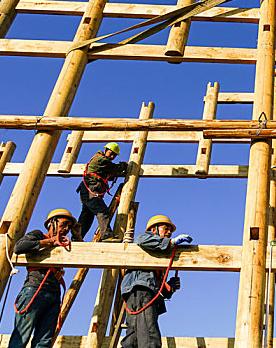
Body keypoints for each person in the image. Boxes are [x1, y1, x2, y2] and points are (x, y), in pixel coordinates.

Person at [8, 209, 80, 348]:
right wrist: (49, 242)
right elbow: (19, 247)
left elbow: (81, 256)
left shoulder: (64, 244)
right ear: (52, 223)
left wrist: (77, 236)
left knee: (44, 342)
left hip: (54, 295)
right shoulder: (38, 235)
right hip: (34, 290)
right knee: (21, 338)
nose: (66, 229)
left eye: (69, 227)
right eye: (63, 224)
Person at [120, 215, 193, 348]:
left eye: (171, 230)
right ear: (154, 229)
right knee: (149, 334)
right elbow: (141, 239)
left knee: (133, 336)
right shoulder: (146, 239)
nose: (169, 232)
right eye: (166, 228)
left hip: (138, 294)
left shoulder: (159, 253)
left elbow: (157, 287)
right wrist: (170, 243)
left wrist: (169, 288)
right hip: (141, 290)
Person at [75, 142, 127, 241]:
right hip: (90, 190)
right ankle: (107, 236)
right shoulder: (101, 160)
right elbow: (114, 168)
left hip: (88, 191)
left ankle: (77, 237)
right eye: (111, 153)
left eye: (114, 155)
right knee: (102, 211)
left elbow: (109, 172)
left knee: (87, 216)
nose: (112, 156)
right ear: (105, 150)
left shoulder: (102, 161)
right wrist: (124, 165)